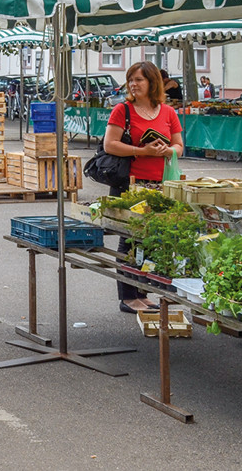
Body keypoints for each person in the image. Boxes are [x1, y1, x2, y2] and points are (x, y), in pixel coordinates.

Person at [103, 61, 184, 314]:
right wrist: (142, 150)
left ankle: (142, 292)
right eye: (131, 80)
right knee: (129, 240)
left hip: (160, 185)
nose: (133, 84)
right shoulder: (122, 110)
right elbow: (110, 145)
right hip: (131, 184)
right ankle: (127, 296)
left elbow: (180, 146)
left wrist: (166, 150)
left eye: (139, 80)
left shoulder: (167, 112)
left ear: (152, 83)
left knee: (150, 241)